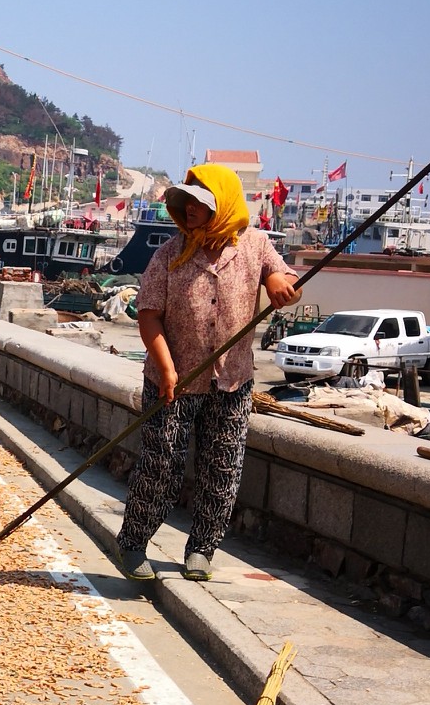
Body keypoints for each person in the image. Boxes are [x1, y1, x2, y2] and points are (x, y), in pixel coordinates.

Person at [115, 164, 300, 584]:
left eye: (201, 202)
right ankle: (133, 541)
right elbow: (149, 316)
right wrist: (165, 368)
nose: (190, 208)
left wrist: (281, 287)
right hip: (173, 383)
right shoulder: (169, 253)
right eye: (187, 201)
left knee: (223, 468)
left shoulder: (254, 245)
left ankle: (201, 547)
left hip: (232, 381)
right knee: (162, 464)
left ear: (223, 205)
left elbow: (283, 278)